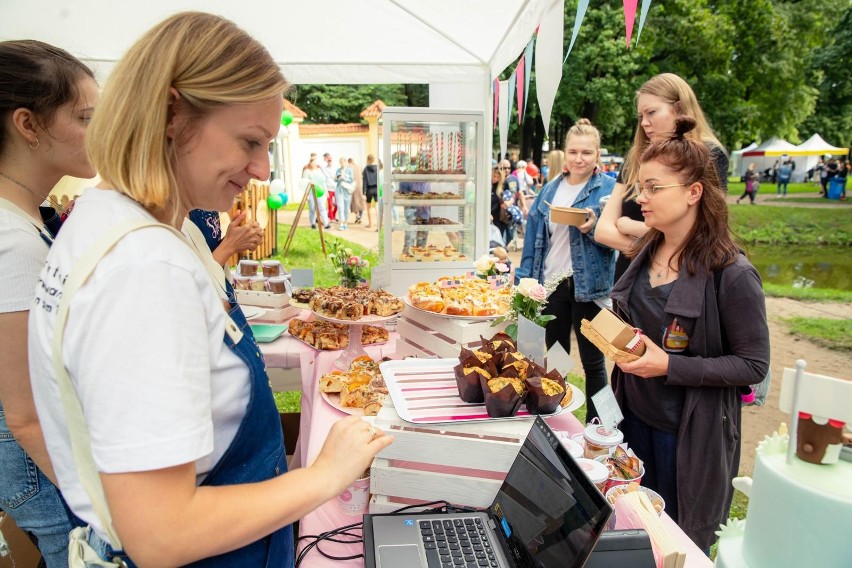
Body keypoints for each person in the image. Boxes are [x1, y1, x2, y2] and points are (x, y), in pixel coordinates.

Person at [27, 13, 392, 567]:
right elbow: (162, 534)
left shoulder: (130, 223)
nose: (264, 170)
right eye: (250, 140)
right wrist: (324, 476)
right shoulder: (144, 268)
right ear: (173, 114)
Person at [611, 117, 769, 553]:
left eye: (653, 188)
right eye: (640, 187)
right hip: (633, 422)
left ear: (694, 192)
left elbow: (753, 365)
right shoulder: (647, 248)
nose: (640, 199)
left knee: (677, 544)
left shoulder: (732, 274)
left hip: (687, 440)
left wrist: (669, 364)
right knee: (633, 532)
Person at [0, 39, 96, 568]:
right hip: (48, 473)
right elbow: (26, 415)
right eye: (85, 117)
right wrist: (104, 501)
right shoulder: (12, 239)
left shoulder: (29, 217)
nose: (99, 132)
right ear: (28, 125)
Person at [514, 118, 616, 421]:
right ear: (564, 153)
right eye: (573, 152)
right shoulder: (549, 190)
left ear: (597, 154)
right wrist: (525, 284)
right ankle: (562, 422)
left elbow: (622, 243)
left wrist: (595, 227)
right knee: (557, 360)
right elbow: (533, 242)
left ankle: (604, 428)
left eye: (587, 152)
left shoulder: (609, 190)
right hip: (553, 286)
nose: (579, 158)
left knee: (594, 364)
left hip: (592, 291)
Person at [595, 73, 729, 283]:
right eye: (640, 117)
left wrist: (628, 226)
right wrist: (658, 249)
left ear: (679, 108)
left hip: (682, 278)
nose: (644, 123)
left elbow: (701, 231)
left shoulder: (709, 155)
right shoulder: (634, 158)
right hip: (629, 279)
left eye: (651, 113)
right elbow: (603, 231)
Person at [188, 209, 263, 266]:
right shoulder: (180, 216)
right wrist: (230, 244)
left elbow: (209, 251)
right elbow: (197, 278)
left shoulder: (208, 207)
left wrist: (233, 238)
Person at [302, 153, 330, 229]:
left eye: (316, 162)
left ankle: (326, 223)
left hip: (320, 191)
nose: (315, 164)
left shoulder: (319, 170)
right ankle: (313, 223)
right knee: (312, 208)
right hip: (311, 191)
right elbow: (304, 182)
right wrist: (306, 193)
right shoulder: (307, 171)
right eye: (313, 162)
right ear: (310, 162)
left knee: (322, 207)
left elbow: (323, 181)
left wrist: (326, 191)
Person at [334, 157, 354, 229]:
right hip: (339, 189)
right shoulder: (338, 170)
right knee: (340, 206)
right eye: (340, 162)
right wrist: (337, 178)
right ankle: (341, 223)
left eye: (342, 162)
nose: (341, 164)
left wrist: (344, 178)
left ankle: (345, 222)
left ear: (345, 162)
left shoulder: (350, 170)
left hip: (347, 191)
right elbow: (336, 179)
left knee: (346, 207)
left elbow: (351, 179)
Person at [362, 153, 378, 229]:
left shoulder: (365, 169)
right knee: (376, 207)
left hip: (369, 189)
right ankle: (379, 224)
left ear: (368, 160)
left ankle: (370, 224)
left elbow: (364, 181)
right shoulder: (378, 168)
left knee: (369, 207)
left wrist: (364, 191)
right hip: (376, 188)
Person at [348, 157, 365, 223]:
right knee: (361, 202)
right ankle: (360, 216)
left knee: (354, 203)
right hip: (360, 186)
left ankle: (357, 215)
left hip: (353, 186)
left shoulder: (349, 167)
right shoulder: (359, 166)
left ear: (349, 162)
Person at [321, 152, 337, 222]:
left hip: (336, 188)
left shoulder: (335, 167)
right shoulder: (324, 169)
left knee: (337, 204)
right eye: (328, 160)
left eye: (331, 160)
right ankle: (331, 218)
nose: (330, 161)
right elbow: (323, 179)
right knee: (330, 204)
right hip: (329, 188)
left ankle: (332, 215)